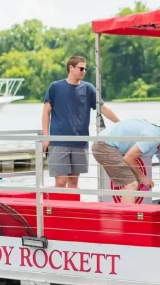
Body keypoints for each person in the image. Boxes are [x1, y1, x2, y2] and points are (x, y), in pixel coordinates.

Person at [42, 55, 120, 188]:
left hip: (80, 142)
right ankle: (59, 208)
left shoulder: (88, 88)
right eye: (81, 68)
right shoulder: (55, 87)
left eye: (85, 69)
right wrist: (45, 136)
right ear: (71, 68)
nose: (84, 71)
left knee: (74, 182)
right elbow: (46, 112)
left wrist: (120, 124)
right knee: (60, 182)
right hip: (59, 141)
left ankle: (72, 209)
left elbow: (103, 108)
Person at [92, 119, 160, 196]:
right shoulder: (153, 137)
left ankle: (128, 205)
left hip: (112, 144)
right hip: (104, 144)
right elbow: (128, 158)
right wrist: (143, 177)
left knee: (135, 183)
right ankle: (128, 207)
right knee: (131, 184)